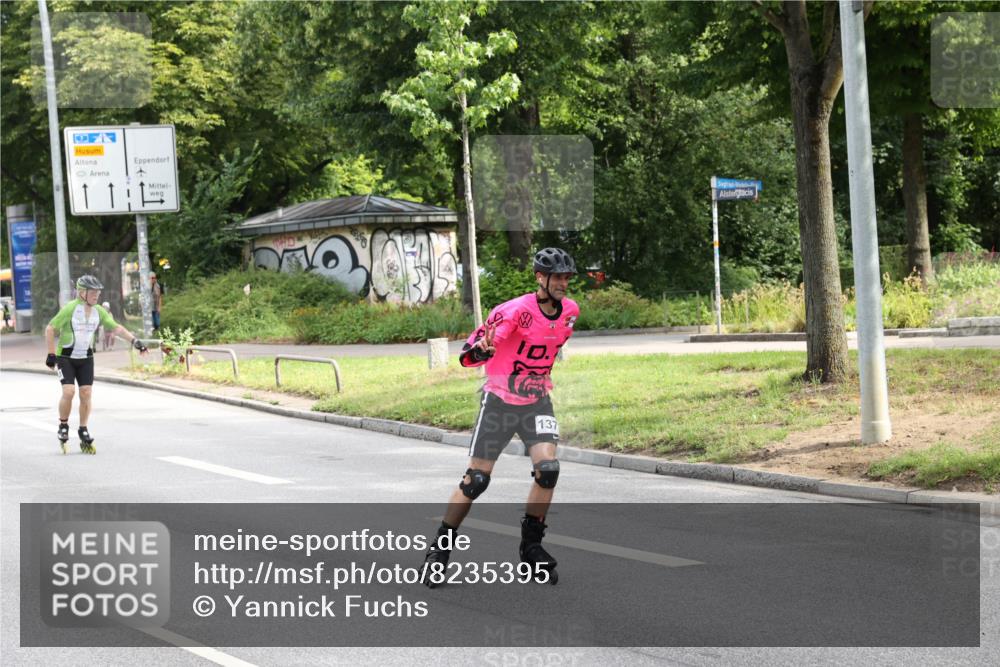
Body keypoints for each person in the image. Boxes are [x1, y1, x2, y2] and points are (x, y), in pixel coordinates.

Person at [422, 247, 580, 587]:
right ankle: (440, 548)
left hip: (537, 400)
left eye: (568, 277)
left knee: (548, 470)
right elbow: (467, 357)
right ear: (540, 278)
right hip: (499, 400)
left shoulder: (570, 312)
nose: (564, 283)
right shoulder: (513, 312)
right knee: (476, 481)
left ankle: (531, 547)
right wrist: (481, 351)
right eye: (558, 277)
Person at [45, 275, 148, 453]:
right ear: (81, 292)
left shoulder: (99, 311)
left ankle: (83, 429)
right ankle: (63, 425)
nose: (96, 295)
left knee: (86, 393)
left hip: (86, 358)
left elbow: (116, 328)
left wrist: (135, 342)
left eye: (98, 292)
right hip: (66, 358)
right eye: (93, 292)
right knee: (69, 392)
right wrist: (51, 354)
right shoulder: (70, 309)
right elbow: (50, 328)